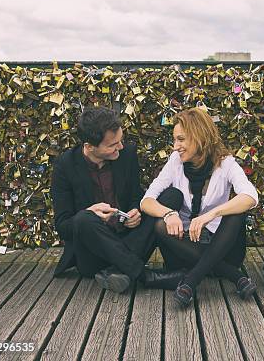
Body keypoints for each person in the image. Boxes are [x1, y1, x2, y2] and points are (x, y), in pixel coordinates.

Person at [51, 106, 183, 292]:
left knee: (172, 196)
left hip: (131, 242)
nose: (120, 147)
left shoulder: (126, 154)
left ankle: (117, 271)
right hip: (93, 255)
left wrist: (135, 210)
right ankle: (145, 276)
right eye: (112, 145)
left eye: (120, 141)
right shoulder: (65, 166)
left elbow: (136, 195)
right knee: (84, 218)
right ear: (89, 146)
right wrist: (91, 214)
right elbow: (63, 226)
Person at [140, 107, 259, 307]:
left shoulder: (226, 164)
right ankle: (235, 277)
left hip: (224, 249)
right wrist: (169, 214)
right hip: (185, 249)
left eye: (181, 139)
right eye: (174, 140)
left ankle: (191, 280)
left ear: (199, 136)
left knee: (237, 211)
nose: (175, 146)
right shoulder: (175, 162)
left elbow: (250, 196)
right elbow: (147, 201)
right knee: (161, 223)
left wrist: (211, 215)